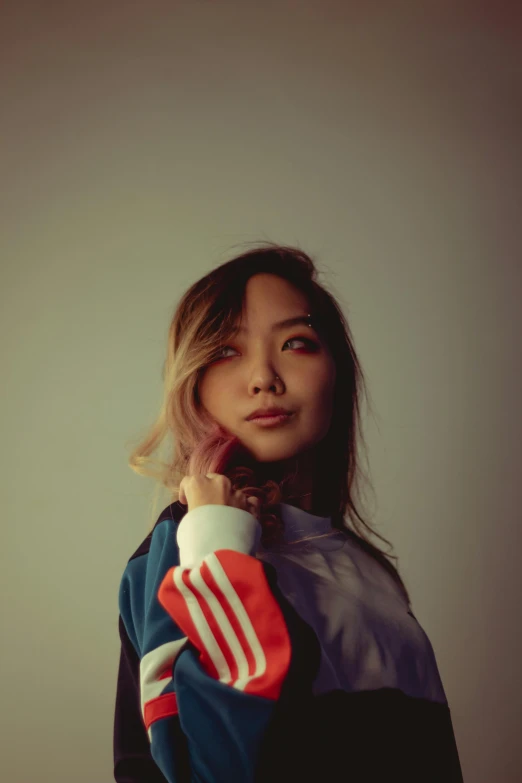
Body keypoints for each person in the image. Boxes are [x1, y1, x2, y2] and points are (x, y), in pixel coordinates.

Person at [113, 242, 464, 782]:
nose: (264, 378)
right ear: (193, 386)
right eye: (225, 351)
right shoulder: (183, 550)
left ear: (337, 373)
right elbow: (216, 768)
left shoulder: (366, 569)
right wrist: (217, 541)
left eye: (297, 343)